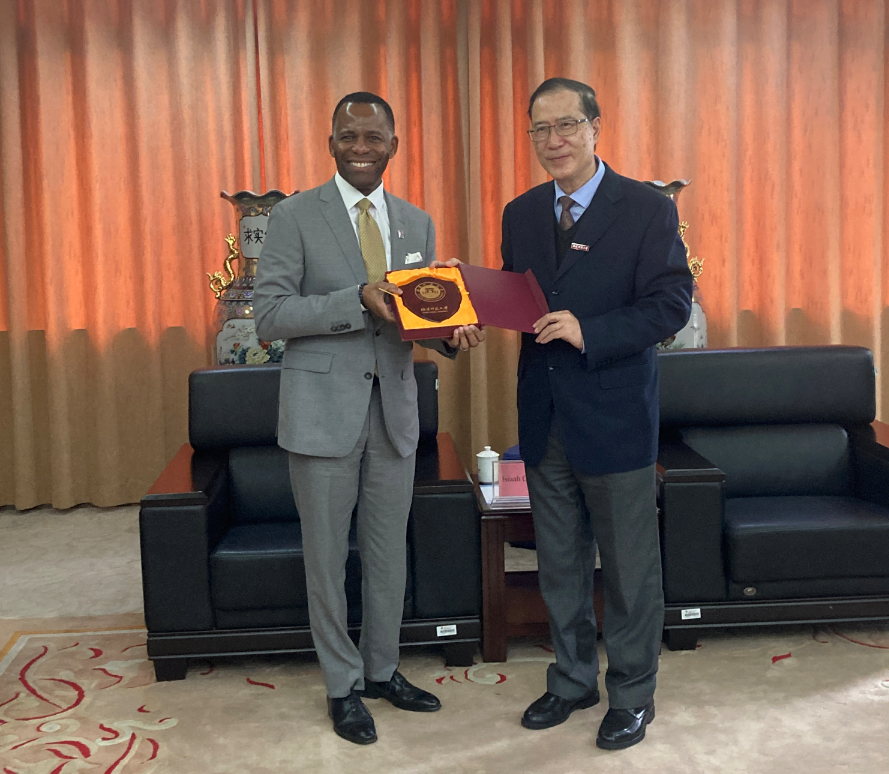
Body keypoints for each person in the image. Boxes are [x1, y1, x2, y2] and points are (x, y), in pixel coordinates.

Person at [253, 91, 484, 746]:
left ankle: (382, 669)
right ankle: (341, 684)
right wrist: (356, 298)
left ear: (393, 146)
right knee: (327, 558)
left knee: (387, 553)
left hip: (394, 413)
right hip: (321, 412)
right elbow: (269, 315)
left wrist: (451, 333)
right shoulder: (294, 216)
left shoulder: (416, 222)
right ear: (330, 143)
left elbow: (419, 316)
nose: (361, 147)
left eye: (373, 137)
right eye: (349, 136)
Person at [503, 77, 692, 749]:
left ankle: (633, 694)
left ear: (594, 128)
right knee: (558, 563)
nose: (553, 140)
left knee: (630, 569)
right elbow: (519, 300)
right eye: (540, 129)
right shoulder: (521, 213)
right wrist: (466, 306)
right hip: (544, 415)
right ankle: (572, 680)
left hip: (615, 417)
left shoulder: (644, 208)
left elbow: (670, 304)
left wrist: (592, 331)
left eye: (567, 126)